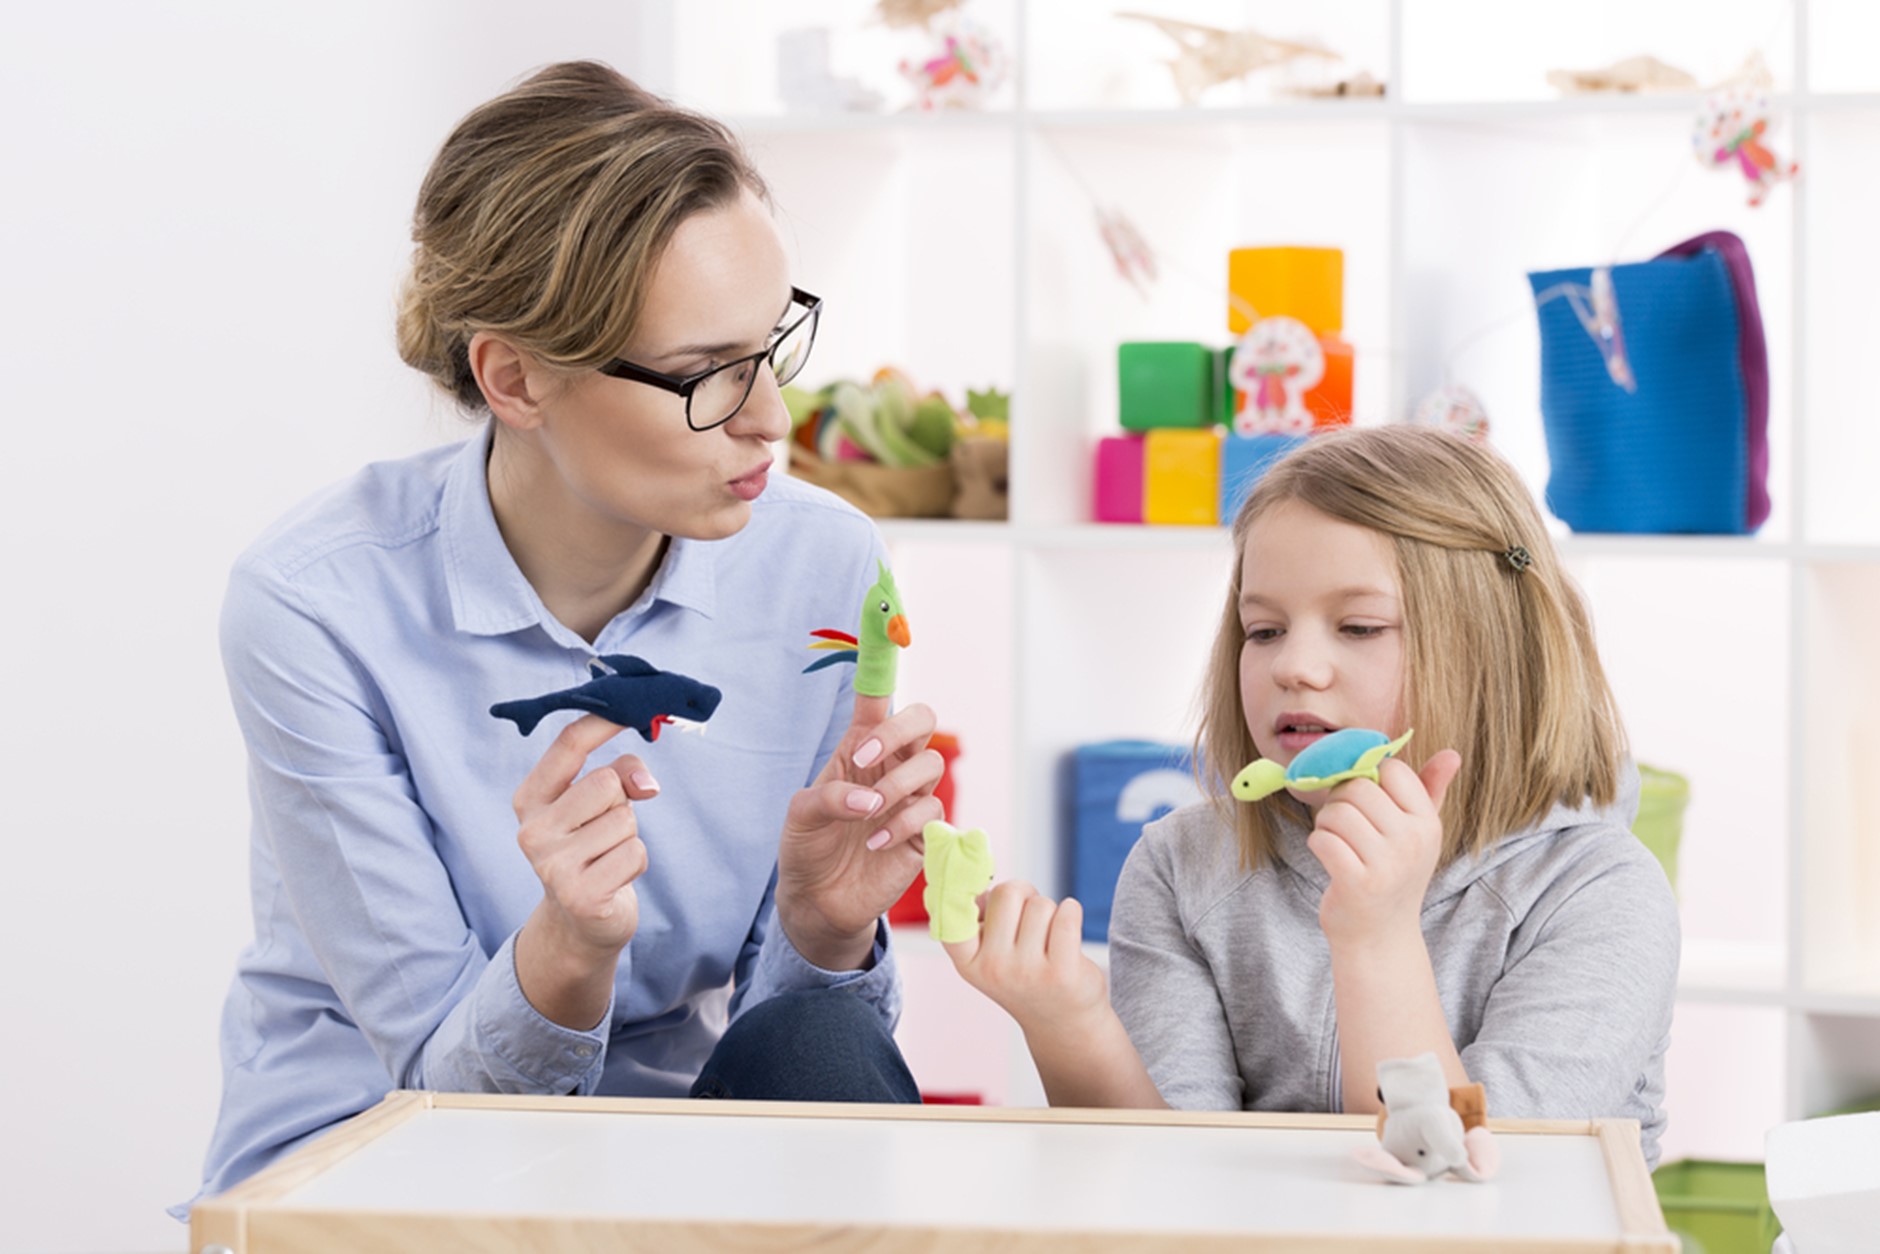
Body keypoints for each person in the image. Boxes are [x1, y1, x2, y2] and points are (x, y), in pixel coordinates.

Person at [178, 61, 943, 1212]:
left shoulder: (819, 564)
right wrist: (568, 952)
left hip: (667, 1158)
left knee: (822, 1058)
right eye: (701, 376)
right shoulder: (312, 608)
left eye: (771, 345)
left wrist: (825, 929)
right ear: (515, 378)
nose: (771, 420)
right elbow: (441, 1093)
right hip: (381, 1158)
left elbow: (800, 1068)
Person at [944, 426, 1680, 1165]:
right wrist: (1072, 1026)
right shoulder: (1182, 866)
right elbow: (1175, 1184)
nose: (1294, 666)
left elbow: (1471, 1185)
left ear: (1489, 646)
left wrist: (1379, 935)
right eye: (1262, 630)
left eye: (1358, 626)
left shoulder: (1599, 893)